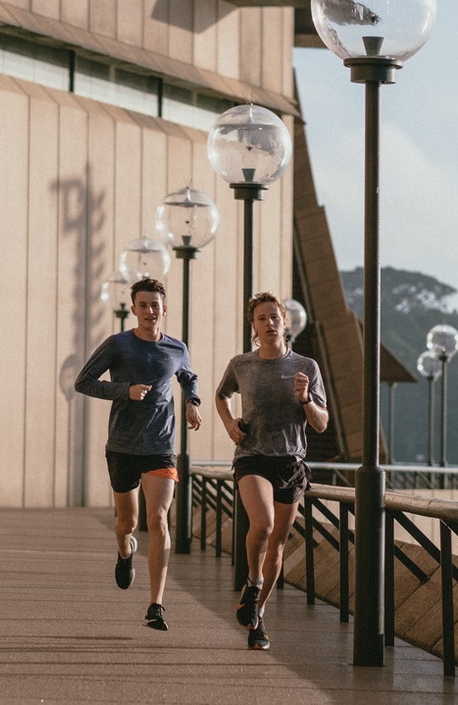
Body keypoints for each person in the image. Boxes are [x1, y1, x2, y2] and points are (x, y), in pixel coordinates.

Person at [74, 277, 201, 631]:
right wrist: (124, 391)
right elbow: (83, 381)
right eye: (143, 305)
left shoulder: (177, 348)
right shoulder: (118, 345)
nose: (149, 311)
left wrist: (192, 401)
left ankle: (156, 605)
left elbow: (188, 377)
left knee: (158, 519)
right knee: (127, 522)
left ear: (164, 309)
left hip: (161, 446)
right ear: (133, 309)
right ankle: (124, 549)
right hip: (123, 446)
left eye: (155, 305)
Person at [215, 291, 329, 650]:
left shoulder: (306, 367)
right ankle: (252, 581)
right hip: (252, 456)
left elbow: (322, 424)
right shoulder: (242, 364)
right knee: (261, 524)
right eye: (261, 318)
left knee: (277, 545)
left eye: (274, 317)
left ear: (285, 322)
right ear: (253, 325)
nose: (269, 324)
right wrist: (230, 424)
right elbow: (221, 396)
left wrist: (306, 399)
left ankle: (258, 616)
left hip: (290, 462)